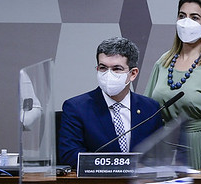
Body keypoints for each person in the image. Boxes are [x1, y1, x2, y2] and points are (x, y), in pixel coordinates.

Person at [59, 37, 162, 168]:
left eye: (116, 69)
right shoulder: (76, 108)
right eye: (103, 68)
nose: (108, 75)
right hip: (96, 180)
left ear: (133, 74)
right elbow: (69, 155)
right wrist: (118, 167)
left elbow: (160, 155)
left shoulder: (151, 108)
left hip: (141, 179)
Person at [145, 0, 201, 169]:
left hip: (197, 148)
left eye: (194, 17)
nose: (186, 22)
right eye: (182, 16)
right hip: (163, 148)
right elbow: (147, 110)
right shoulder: (163, 62)